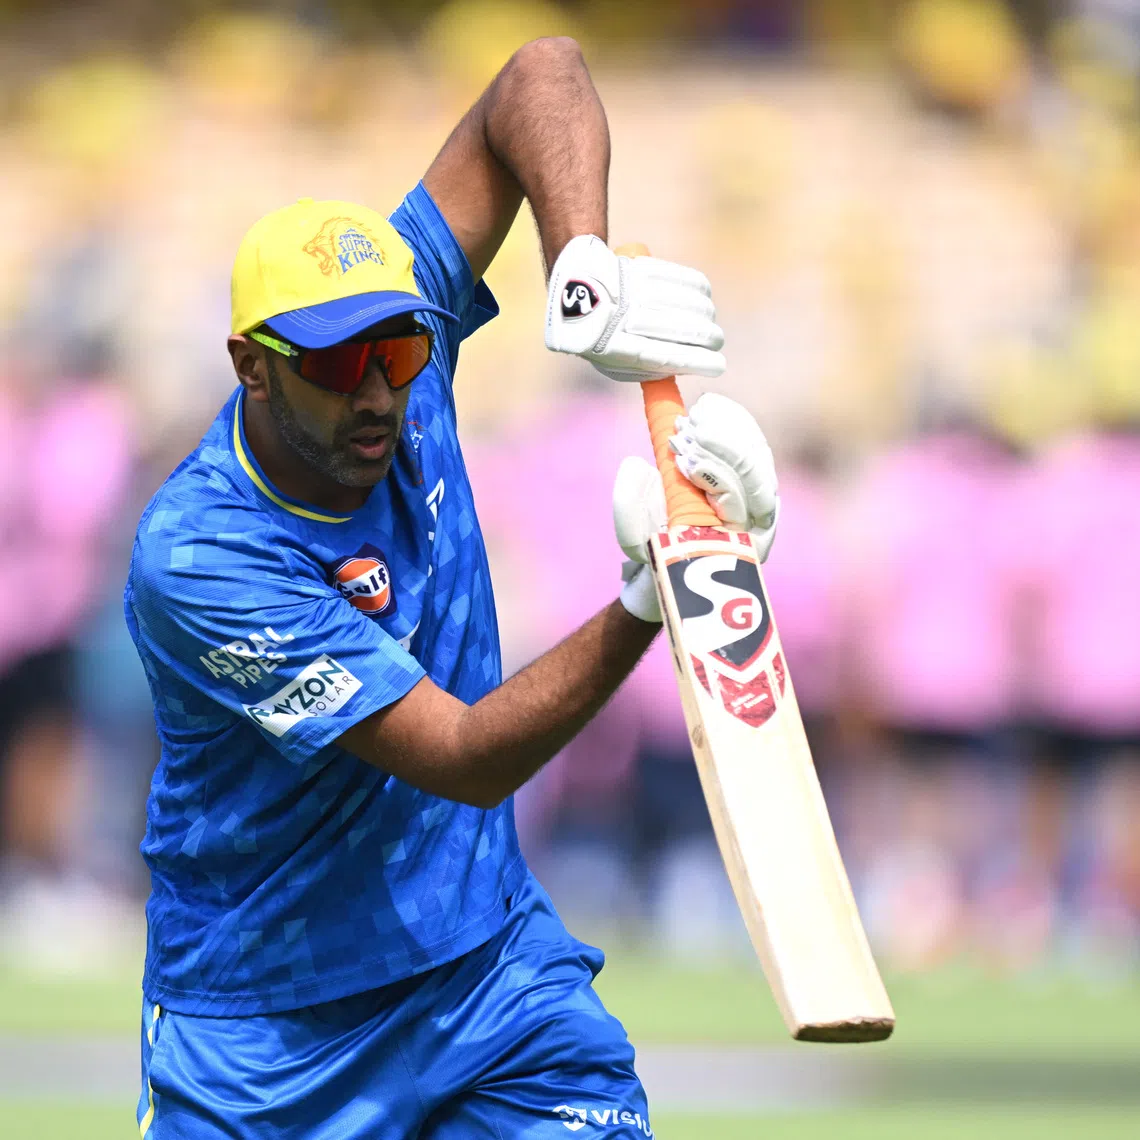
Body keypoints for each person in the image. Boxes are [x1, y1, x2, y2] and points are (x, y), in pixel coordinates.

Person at [126, 38, 779, 1138]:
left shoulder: (397, 351)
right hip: (268, 1037)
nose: (379, 392)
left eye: (401, 352)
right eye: (335, 366)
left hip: (488, 975)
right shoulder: (201, 555)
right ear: (251, 365)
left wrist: (583, 269)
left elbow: (543, 74)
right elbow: (464, 759)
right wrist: (649, 594)